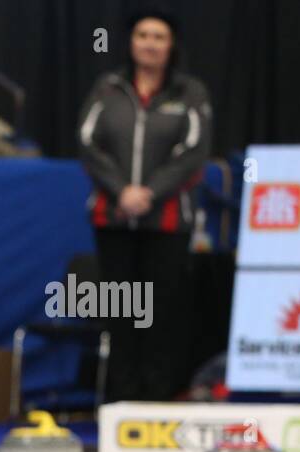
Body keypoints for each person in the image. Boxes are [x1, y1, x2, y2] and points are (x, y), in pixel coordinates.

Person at [78, 9, 211, 402]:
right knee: (121, 311)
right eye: (142, 35)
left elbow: (193, 153)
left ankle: (157, 402)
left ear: (171, 46)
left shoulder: (190, 93)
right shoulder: (108, 87)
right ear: (131, 42)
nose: (150, 43)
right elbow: (88, 143)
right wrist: (121, 192)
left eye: (159, 37)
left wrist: (149, 193)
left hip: (167, 222)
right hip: (114, 220)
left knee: (159, 314)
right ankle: (120, 402)